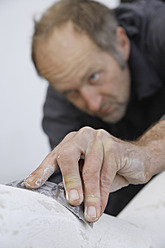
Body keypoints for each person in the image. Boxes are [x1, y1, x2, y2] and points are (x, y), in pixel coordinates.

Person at [24, 0, 165, 222]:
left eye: (94, 77)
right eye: (71, 91)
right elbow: (92, 208)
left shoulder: (159, 28)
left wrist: (146, 154)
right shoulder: (59, 107)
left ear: (121, 43)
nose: (92, 104)